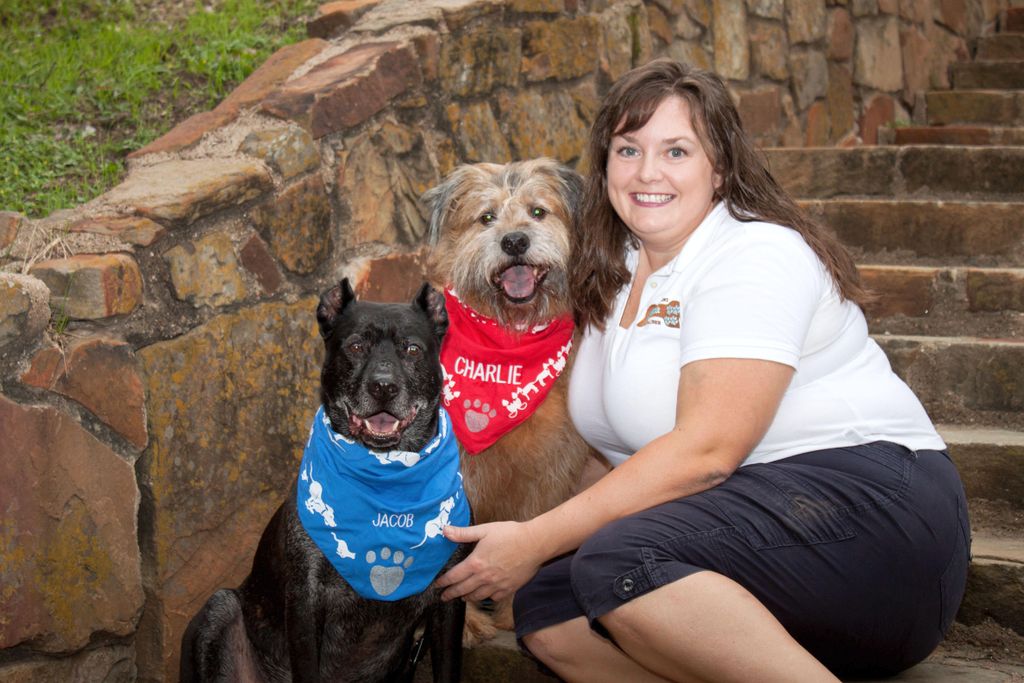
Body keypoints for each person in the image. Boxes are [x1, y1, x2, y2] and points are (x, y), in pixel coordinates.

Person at [437, 59, 970, 682]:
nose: (648, 172)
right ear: (604, 166)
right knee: (548, 609)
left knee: (615, 562)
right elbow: (599, 462)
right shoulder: (608, 275)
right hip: (741, 536)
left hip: (870, 517)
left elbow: (707, 451)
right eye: (628, 149)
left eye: (677, 151)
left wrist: (534, 540)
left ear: (719, 167)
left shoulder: (756, 252)